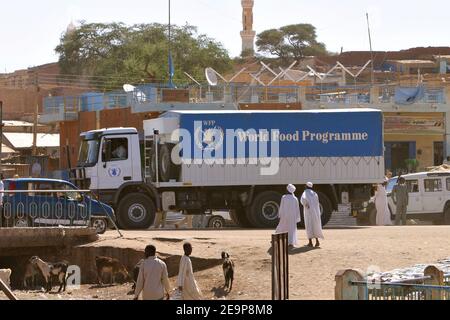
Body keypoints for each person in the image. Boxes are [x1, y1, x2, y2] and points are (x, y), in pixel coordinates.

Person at [301, 182, 324, 248]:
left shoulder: (305, 193)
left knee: (309, 226)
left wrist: (306, 205)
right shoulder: (315, 194)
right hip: (315, 212)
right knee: (315, 225)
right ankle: (317, 241)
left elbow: (303, 200)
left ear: (306, 186)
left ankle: (310, 242)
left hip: (308, 212)